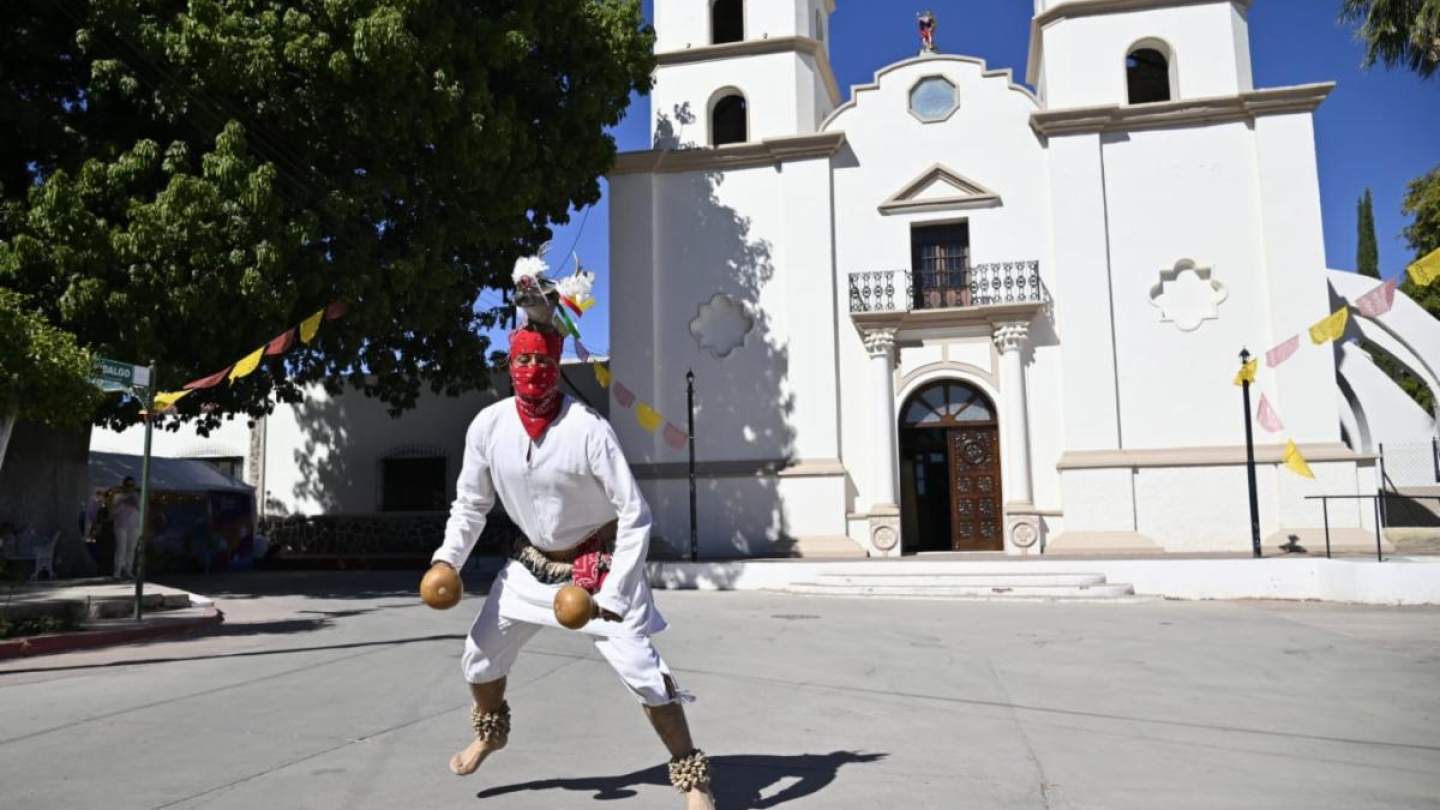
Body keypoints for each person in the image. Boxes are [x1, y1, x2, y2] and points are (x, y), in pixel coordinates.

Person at [425, 322, 716, 809]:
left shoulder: (588, 428)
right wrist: (447, 561)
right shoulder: (488, 426)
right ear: (509, 365)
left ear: (556, 365)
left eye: (542, 361)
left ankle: (692, 776)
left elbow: (634, 513)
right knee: (479, 657)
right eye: (523, 360)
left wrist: (612, 597)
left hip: (596, 567)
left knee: (644, 672)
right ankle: (491, 734)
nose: (533, 370)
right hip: (530, 566)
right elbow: (471, 505)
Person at [110, 477, 141, 579]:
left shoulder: (136, 496)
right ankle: (117, 572)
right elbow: (113, 513)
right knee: (121, 549)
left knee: (131, 550)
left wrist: (135, 501)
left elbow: (141, 508)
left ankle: (128, 571)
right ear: (124, 485)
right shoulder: (118, 497)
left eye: (132, 485)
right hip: (121, 526)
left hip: (134, 526)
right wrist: (123, 502)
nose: (130, 487)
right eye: (128, 485)